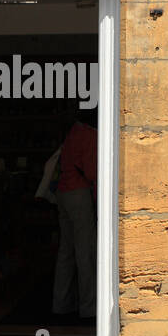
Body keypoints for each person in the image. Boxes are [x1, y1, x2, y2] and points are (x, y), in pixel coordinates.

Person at [52, 109, 98, 321]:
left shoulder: (71, 132)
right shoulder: (89, 134)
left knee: (66, 251)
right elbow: (91, 172)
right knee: (85, 251)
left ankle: (61, 303)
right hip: (79, 193)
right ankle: (89, 307)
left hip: (63, 192)